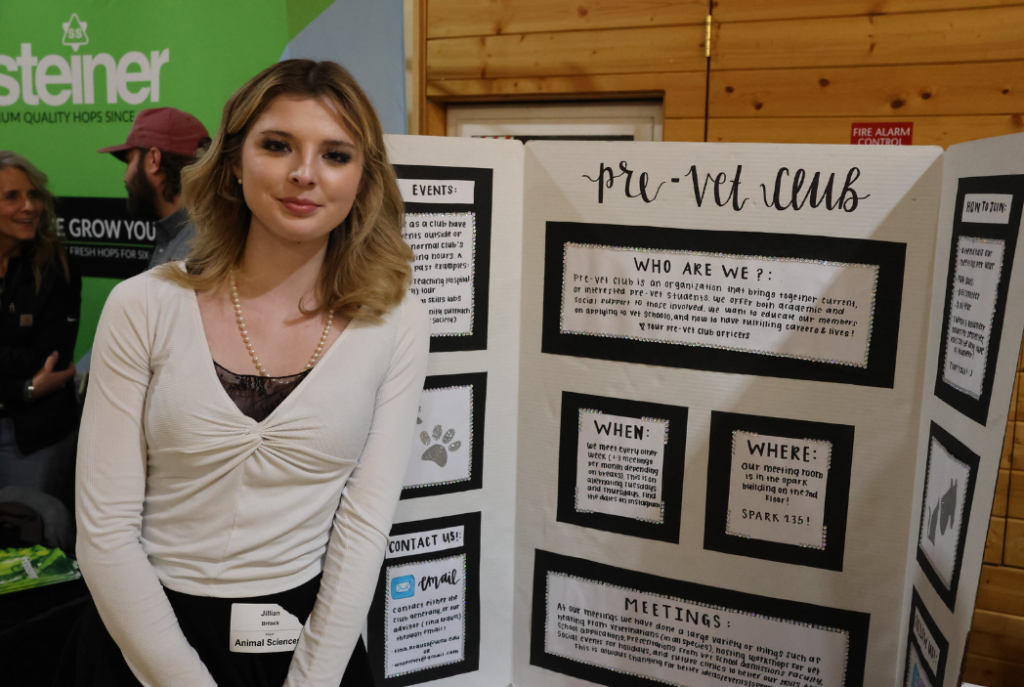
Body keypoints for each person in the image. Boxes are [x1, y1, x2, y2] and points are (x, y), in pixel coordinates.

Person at [71, 60, 430, 687]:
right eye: (277, 145)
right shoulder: (143, 306)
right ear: (234, 162)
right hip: (146, 640)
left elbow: (365, 524)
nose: (304, 173)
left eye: (336, 154)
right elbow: (104, 533)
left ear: (361, 178)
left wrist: (313, 678)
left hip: (311, 644)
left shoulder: (397, 323)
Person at [0, 151, 81, 503]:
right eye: (12, 196)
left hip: (34, 437)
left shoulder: (56, 265)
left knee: (33, 541)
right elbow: (28, 370)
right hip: (26, 399)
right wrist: (25, 388)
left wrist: (30, 387)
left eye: (34, 195)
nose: (29, 206)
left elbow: (49, 358)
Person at [98, 107, 211, 268]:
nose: (125, 177)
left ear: (153, 159)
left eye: (129, 161)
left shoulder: (191, 254)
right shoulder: (181, 237)